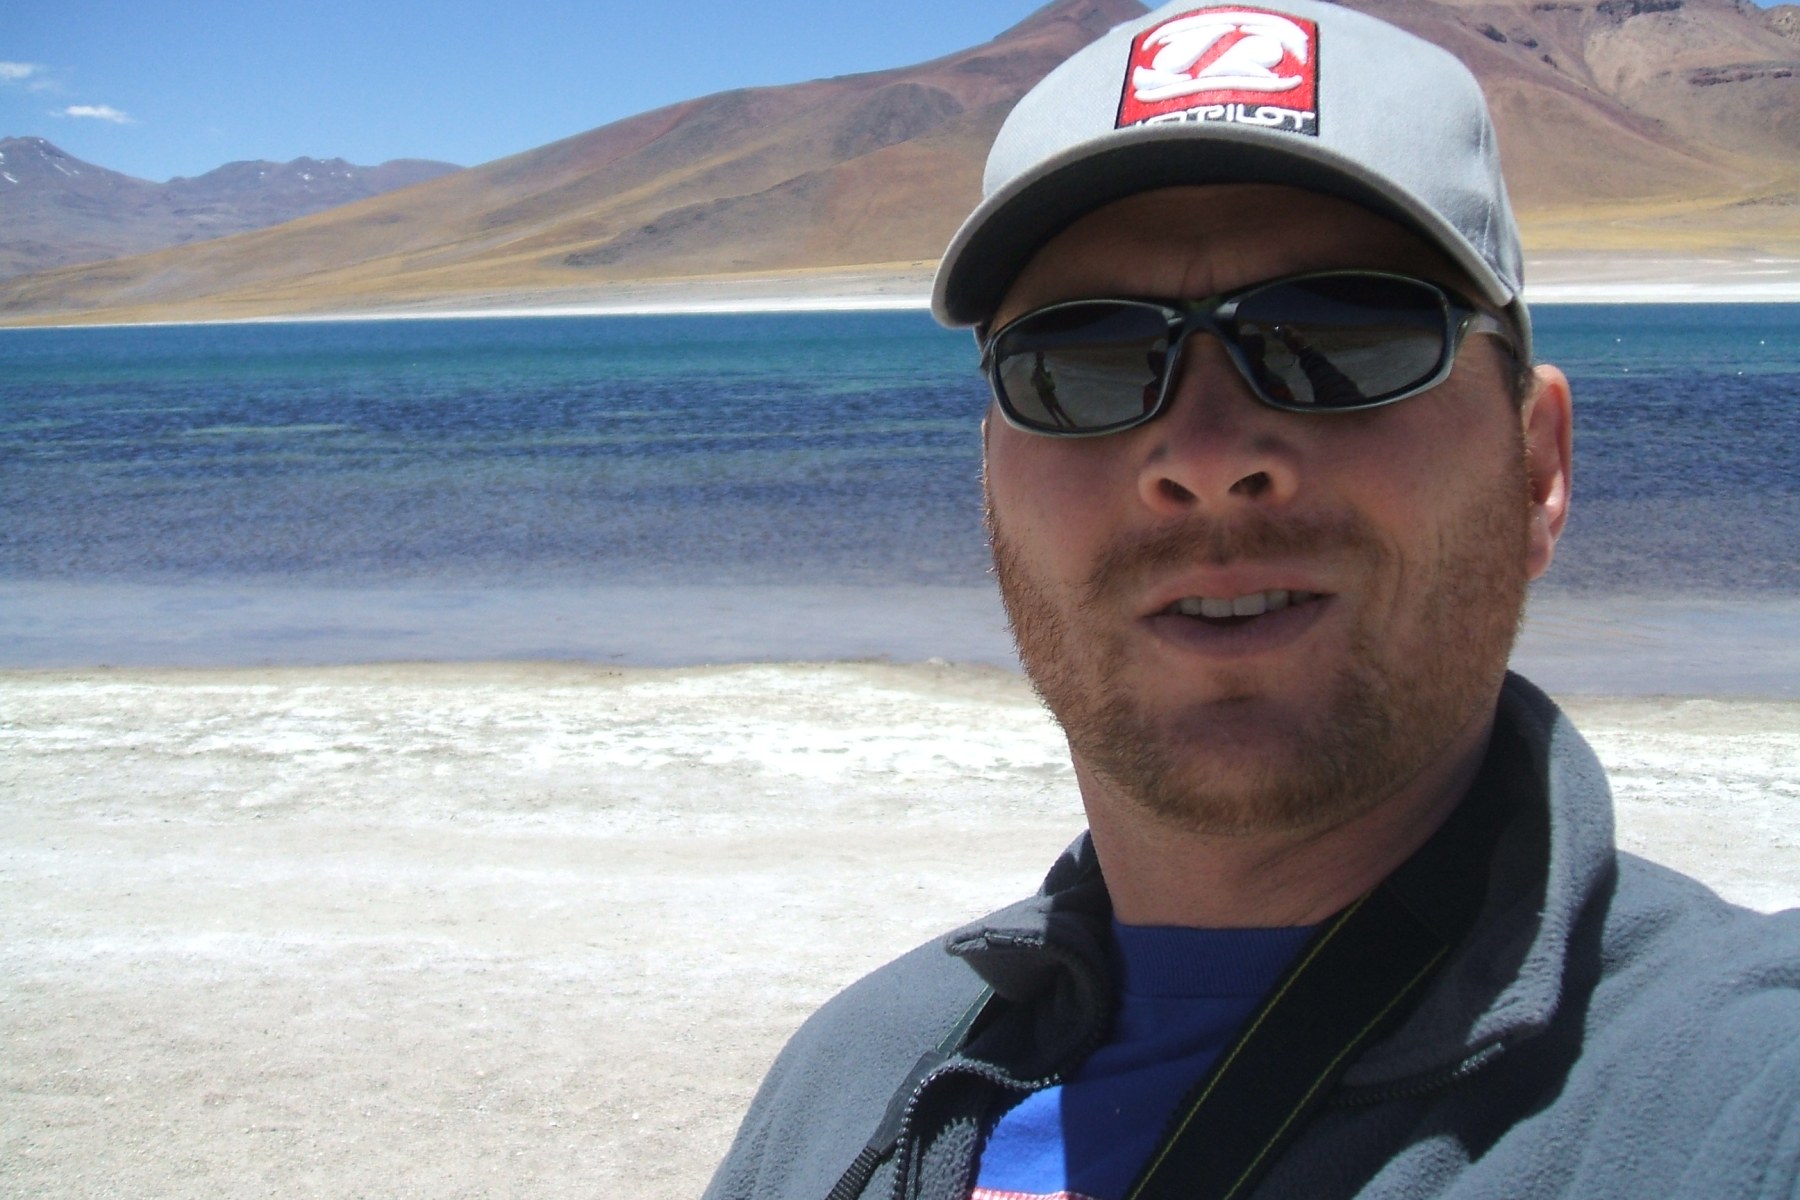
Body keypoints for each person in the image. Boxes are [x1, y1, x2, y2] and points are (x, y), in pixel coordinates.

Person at [703, 2, 1800, 1197]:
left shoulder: (1735, 1089)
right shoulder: (852, 1088)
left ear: (1537, 465)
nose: (1207, 454)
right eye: (1082, 364)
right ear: (991, 483)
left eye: (1344, 335)